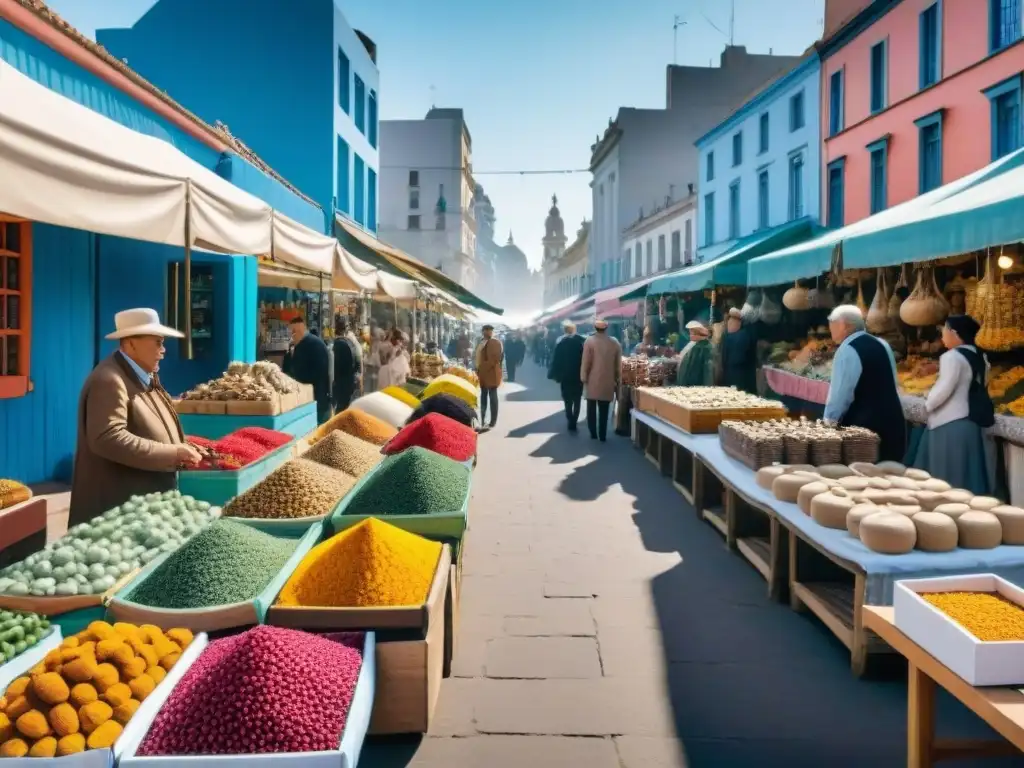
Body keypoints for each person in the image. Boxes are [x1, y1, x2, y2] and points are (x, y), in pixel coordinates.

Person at [69, 308, 201, 526]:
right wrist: (173, 452)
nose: (163, 350)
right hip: (117, 514)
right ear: (130, 344)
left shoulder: (145, 376)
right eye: (158, 343)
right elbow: (108, 438)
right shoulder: (109, 380)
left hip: (141, 509)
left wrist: (183, 445)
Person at [914, 315, 994, 494]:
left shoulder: (952, 357)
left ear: (954, 333)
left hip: (949, 423)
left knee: (948, 480)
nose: (942, 335)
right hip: (971, 423)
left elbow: (944, 390)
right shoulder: (981, 356)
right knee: (968, 476)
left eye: (944, 331)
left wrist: (927, 405)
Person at [823, 305, 907, 462]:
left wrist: (828, 425)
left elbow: (840, 395)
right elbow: (893, 382)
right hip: (893, 421)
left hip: (864, 430)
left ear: (843, 325)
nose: (830, 329)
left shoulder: (847, 350)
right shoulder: (882, 344)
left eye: (832, 324)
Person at [283, 316, 331, 424]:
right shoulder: (310, 343)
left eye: (292, 333)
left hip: (315, 401)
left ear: (298, 331)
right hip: (319, 399)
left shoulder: (308, 345)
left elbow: (300, 374)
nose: (291, 336)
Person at [581, 319, 622, 441]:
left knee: (591, 408)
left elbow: (586, 362)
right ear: (606, 328)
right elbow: (618, 365)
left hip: (592, 380)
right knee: (604, 410)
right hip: (608, 381)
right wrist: (618, 379)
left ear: (595, 328)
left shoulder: (589, 341)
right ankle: (602, 434)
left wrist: (583, 377)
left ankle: (593, 432)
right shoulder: (614, 343)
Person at [549, 321, 586, 432]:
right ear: (574, 330)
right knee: (577, 399)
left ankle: (570, 419)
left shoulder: (561, 343)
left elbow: (556, 360)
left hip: (565, 376)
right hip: (578, 375)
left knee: (567, 400)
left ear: (564, 331)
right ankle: (574, 420)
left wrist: (555, 375)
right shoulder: (581, 342)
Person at [720, 307, 758, 394]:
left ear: (739, 323)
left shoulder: (742, 336)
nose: (729, 324)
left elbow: (737, 358)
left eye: (732, 321)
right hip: (732, 372)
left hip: (739, 374)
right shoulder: (729, 335)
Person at [475, 324, 504, 428]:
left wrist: (482, 368)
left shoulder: (495, 342)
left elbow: (494, 359)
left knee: (492, 396)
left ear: (492, 332)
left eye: (490, 330)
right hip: (482, 373)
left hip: (491, 372)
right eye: (486, 330)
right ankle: (483, 419)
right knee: (483, 395)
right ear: (482, 331)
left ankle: (493, 421)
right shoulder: (481, 342)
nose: (488, 332)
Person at [332, 316, 361, 412]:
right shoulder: (350, 342)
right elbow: (357, 361)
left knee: (340, 409)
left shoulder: (337, 345)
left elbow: (334, 367)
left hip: (341, 383)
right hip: (350, 382)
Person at [676, 321, 714, 386]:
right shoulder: (694, 345)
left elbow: (707, 371)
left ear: (698, 334)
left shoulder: (703, 348)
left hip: (696, 384)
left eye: (692, 333)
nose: (690, 335)